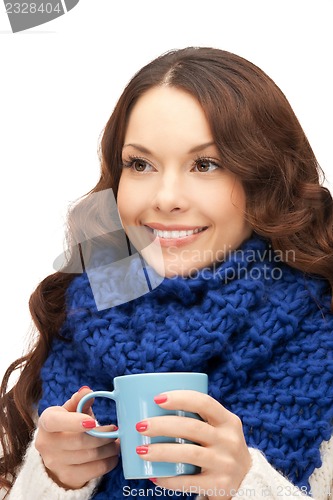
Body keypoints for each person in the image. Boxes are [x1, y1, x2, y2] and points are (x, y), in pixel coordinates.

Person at [1, 46, 333, 500]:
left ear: (265, 177)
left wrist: (248, 486)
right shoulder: (79, 310)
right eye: (140, 164)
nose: (165, 197)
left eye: (206, 164)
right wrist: (53, 479)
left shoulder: (320, 332)